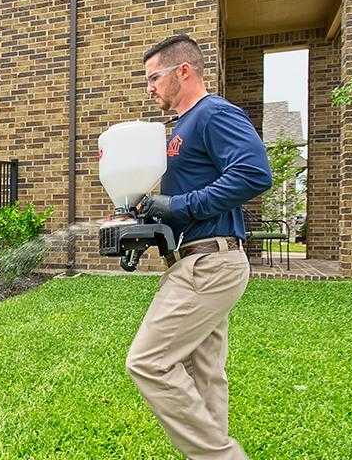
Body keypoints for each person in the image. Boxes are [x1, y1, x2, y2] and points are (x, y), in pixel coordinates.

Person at [126, 34, 272, 460]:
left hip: (211, 263)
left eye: (154, 77)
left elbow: (253, 173)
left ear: (183, 71)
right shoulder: (183, 127)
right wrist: (152, 218)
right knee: (203, 372)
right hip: (201, 259)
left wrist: (179, 204)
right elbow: (187, 202)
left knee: (148, 362)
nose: (149, 87)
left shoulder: (214, 113)